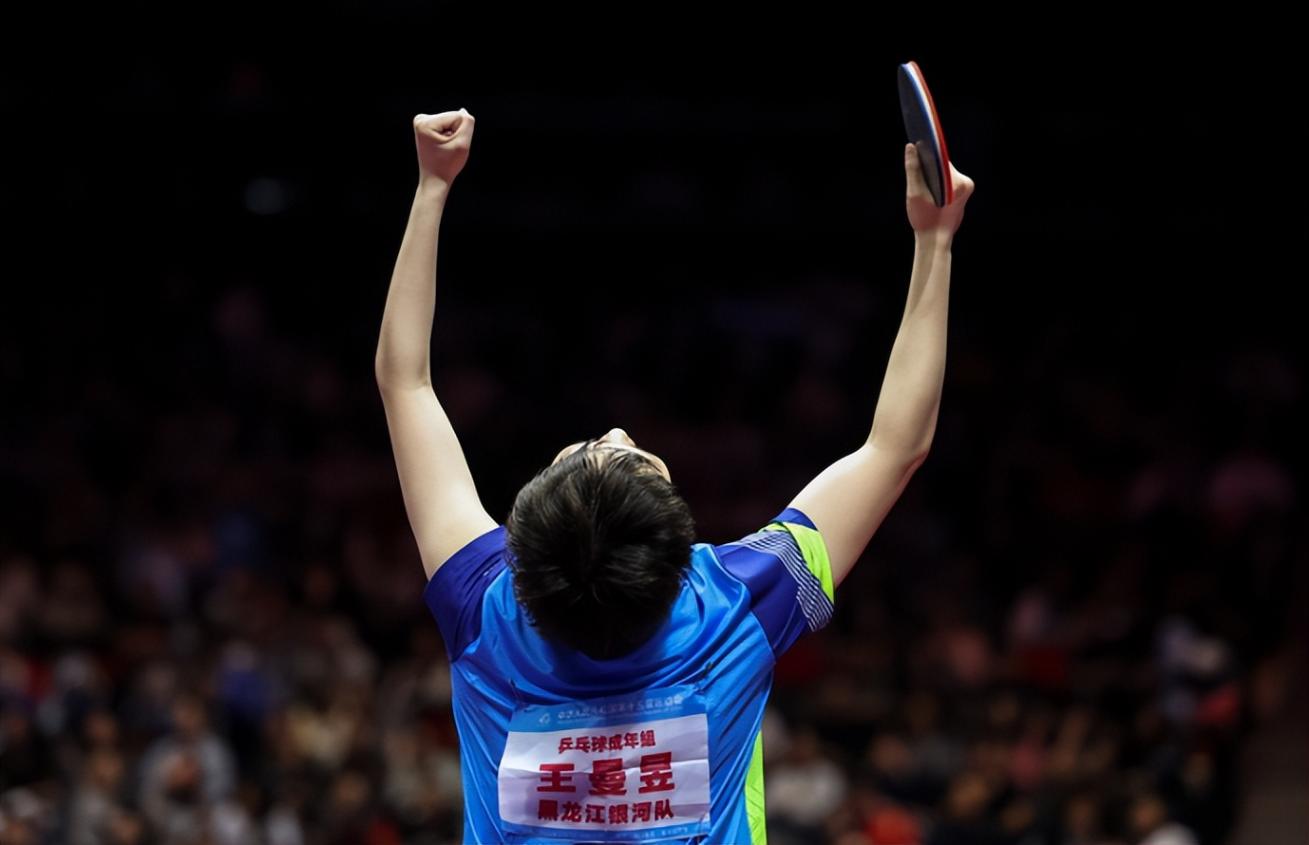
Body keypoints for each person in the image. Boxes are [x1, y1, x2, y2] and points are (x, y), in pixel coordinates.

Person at [374, 107, 974, 843]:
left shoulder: (485, 607)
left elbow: (405, 383)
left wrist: (432, 188)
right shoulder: (736, 602)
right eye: (621, 452)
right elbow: (895, 447)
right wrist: (934, 240)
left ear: (521, 548)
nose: (617, 430)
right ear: (680, 546)